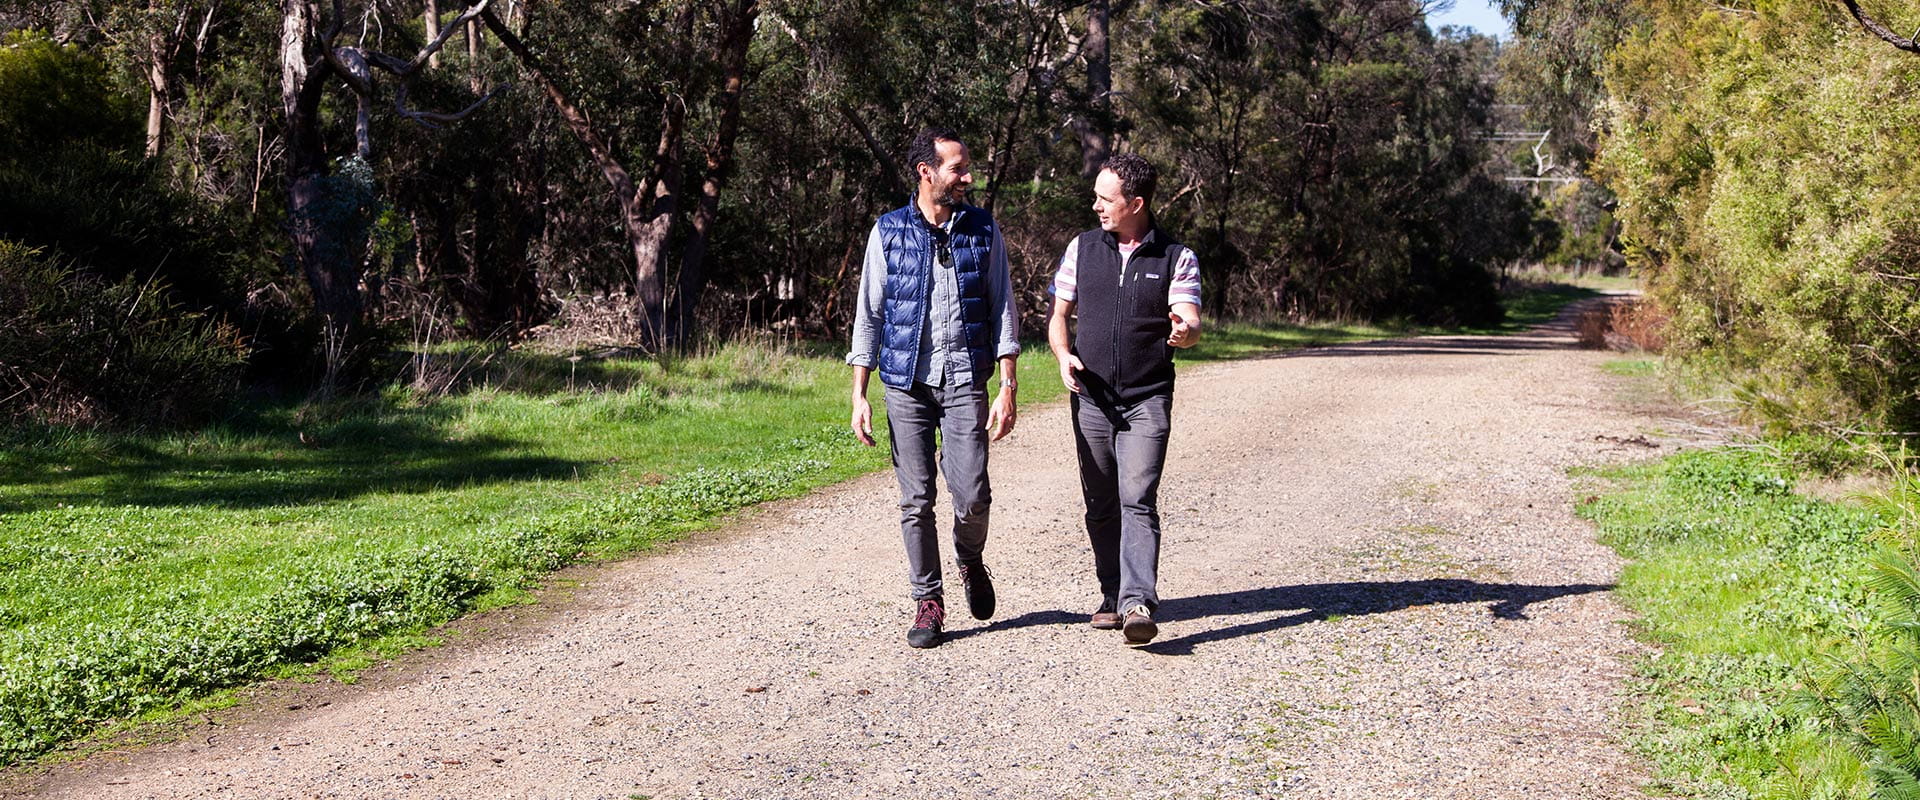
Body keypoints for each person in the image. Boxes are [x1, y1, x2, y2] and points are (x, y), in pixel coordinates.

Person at [848, 127, 1021, 649]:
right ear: (926, 172)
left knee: (972, 496)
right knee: (915, 498)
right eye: (957, 168)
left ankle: (970, 558)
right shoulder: (889, 231)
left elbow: (1005, 307)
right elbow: (869, 314)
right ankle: (929, 600)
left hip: (966, 376)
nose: (967, 177)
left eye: (966, 168)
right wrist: (859, 392)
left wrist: (1008, 384)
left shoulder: (984, 230)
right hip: (906, 384)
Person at [1047, 153, 1202, 645]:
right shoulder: (1082, 248)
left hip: (1147, 399)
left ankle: (1138, 601)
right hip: (1090, 399)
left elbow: (1189, 318)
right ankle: (1111, 594)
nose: (1095, 206)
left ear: (1135, 203)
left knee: (1137, 498)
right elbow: (1058, 317)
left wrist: (1186, 332)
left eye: (1104, 198)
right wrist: (1062, 354)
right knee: (1099, 502)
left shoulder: (1177, 257)